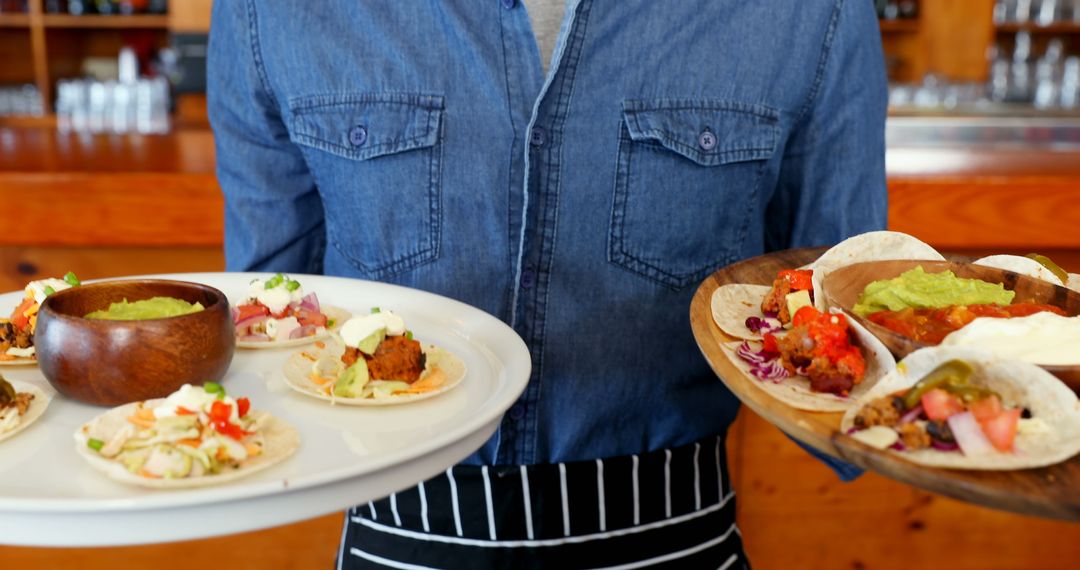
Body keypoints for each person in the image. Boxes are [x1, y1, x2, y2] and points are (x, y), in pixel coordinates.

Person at [208, 0, 887, 567]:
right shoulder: (269, 10)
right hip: (399, 539)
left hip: (672, 539)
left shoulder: (809, 12)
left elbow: (847, 323)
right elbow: (263, 325)